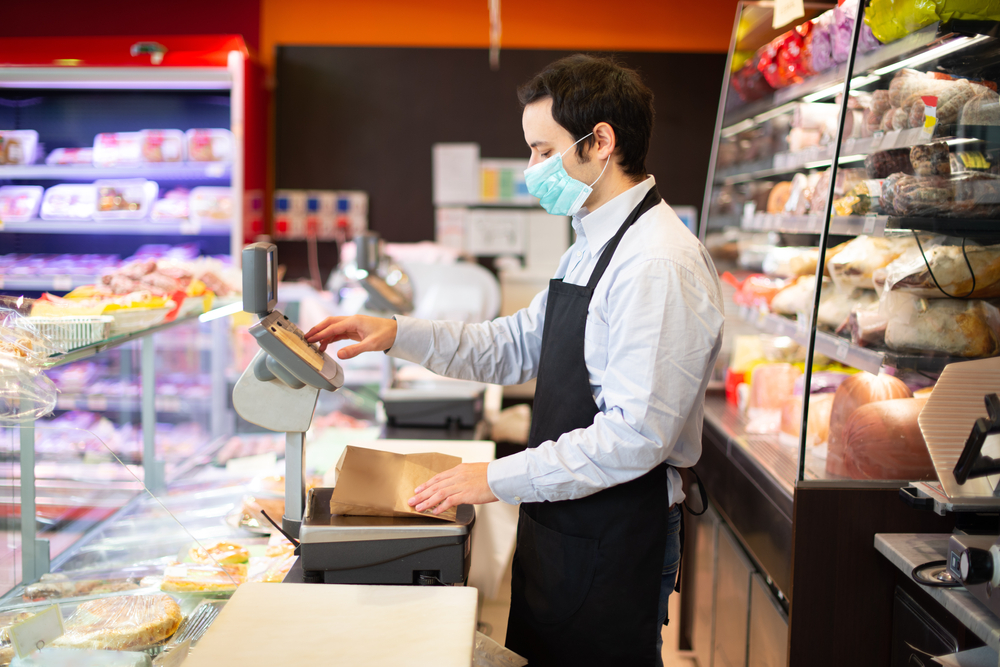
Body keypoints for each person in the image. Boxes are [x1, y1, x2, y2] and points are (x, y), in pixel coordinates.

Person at [306, 54, 724, 667]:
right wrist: (397, 332)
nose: (532, 169)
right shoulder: (590, 244)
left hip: (614, 532)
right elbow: (512, 347)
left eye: (541, 149)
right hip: (566, 521)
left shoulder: (657, 262)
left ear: (600, 143)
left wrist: (492, 478)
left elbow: (636, 436)